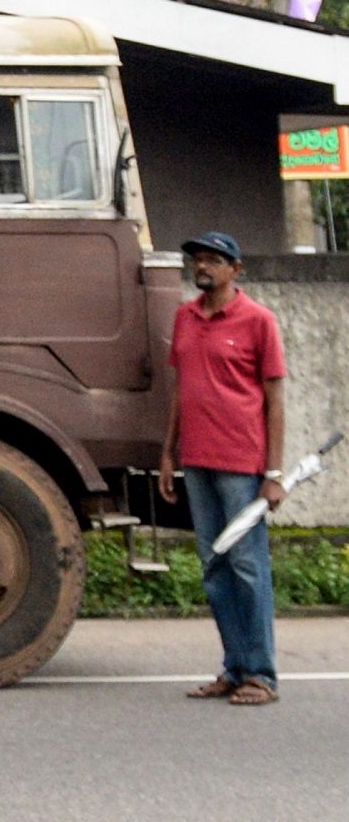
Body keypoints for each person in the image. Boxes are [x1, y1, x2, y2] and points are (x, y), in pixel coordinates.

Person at [155, 230, 289, 707]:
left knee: (248, 566)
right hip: (197, 462)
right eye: (199, 260)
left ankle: (261, 675)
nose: (203, 267)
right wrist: (169, 453)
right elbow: (180, 390)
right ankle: (233, 668)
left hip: (242, 464)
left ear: (236, 269)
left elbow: (275, 402)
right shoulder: (186, 317)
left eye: (214, 260)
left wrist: (273, 474)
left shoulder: (258, 321)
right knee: (214, 568)